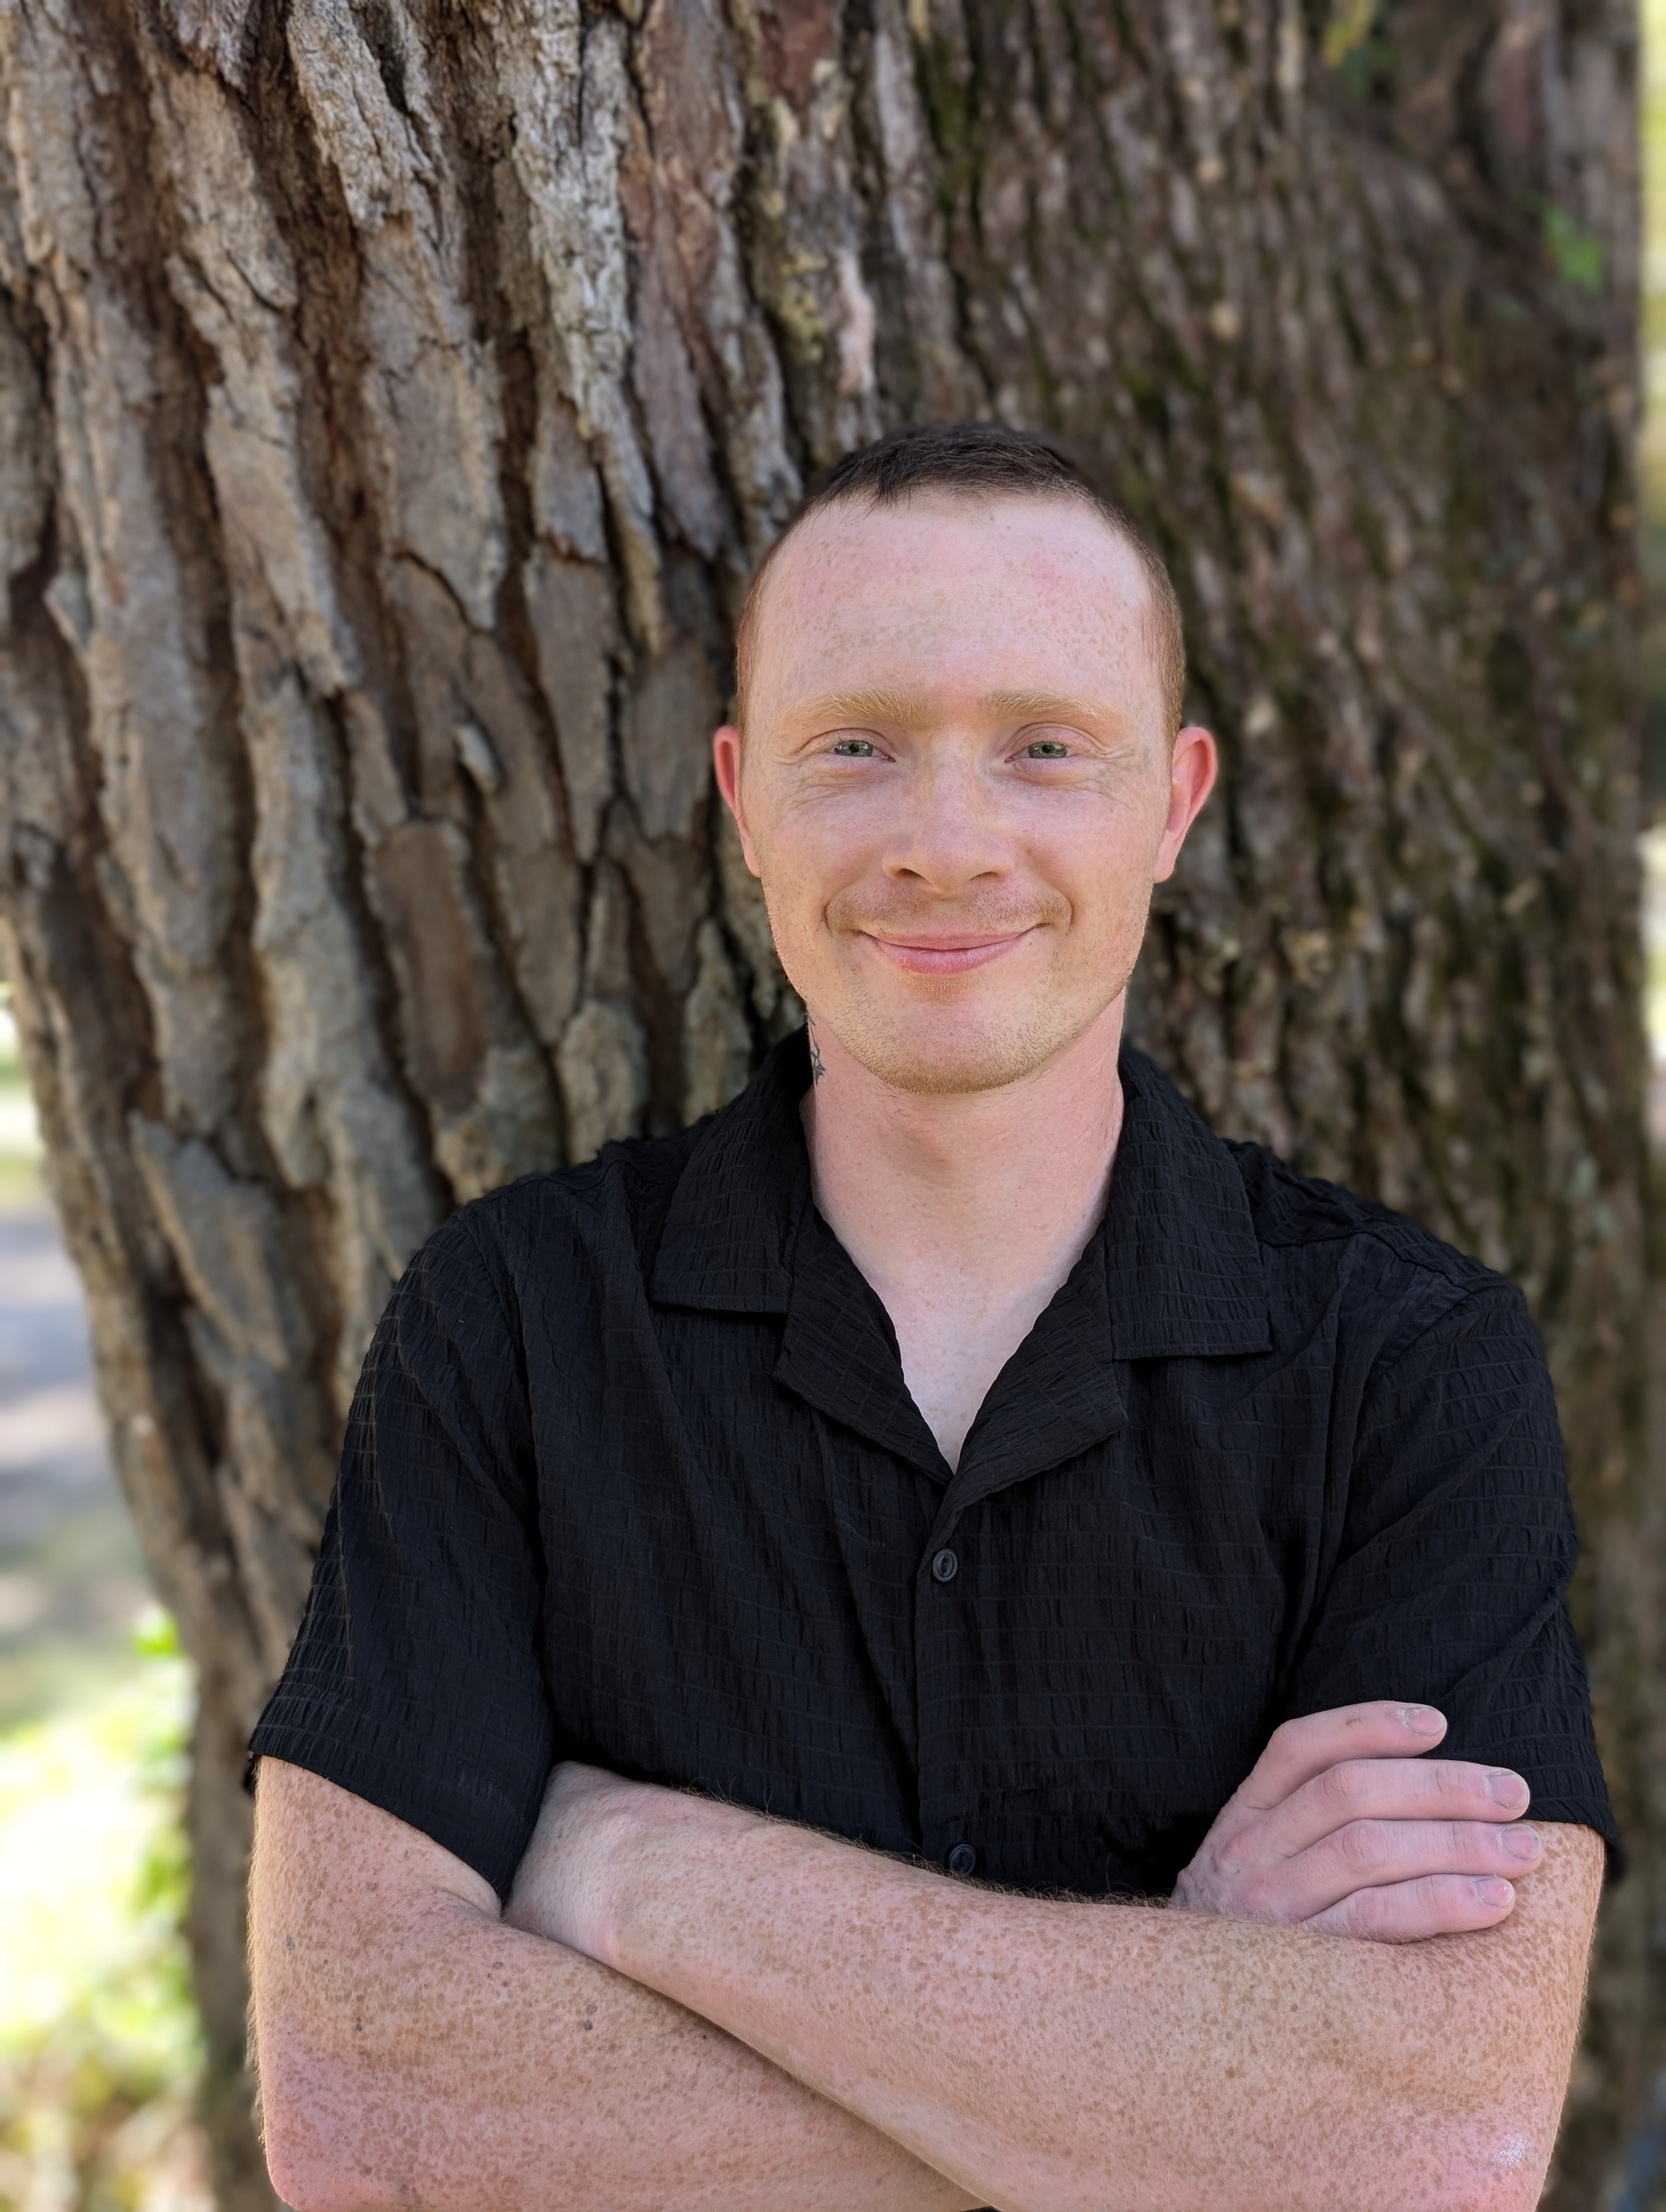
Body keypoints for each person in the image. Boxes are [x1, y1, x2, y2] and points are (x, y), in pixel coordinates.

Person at [248, 423, 1616, 2212]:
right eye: (858, 749)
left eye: (1045, 749)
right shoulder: (510, 1327)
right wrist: (1177, 2056)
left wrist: (654, 1879)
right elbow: (371, 2115)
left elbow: (1430, 2151)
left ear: (1175, 804)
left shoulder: (1411, 1367)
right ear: (745, 800)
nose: (947, 842)